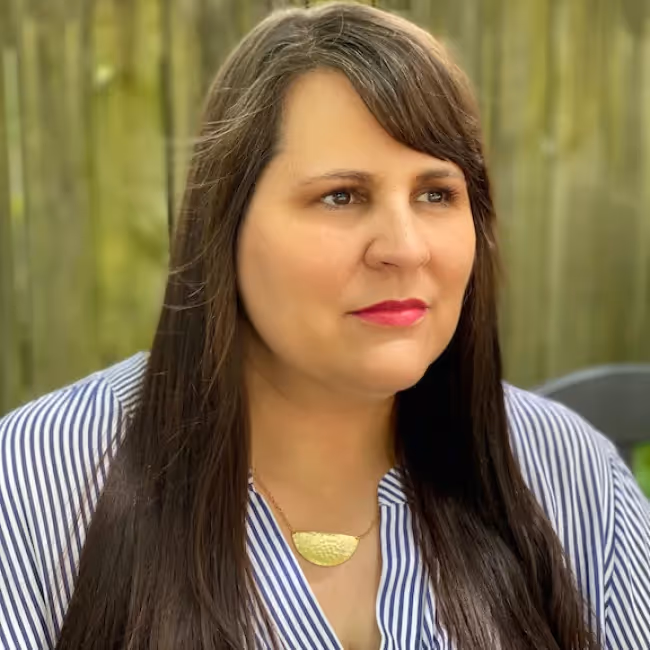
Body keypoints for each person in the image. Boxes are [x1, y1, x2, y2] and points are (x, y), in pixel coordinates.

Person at [1, 2, 649, 649]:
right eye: (341, 196)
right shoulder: (36, 484)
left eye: (435, 193)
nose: (405, 247)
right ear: (223, 226)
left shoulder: (568, 475)